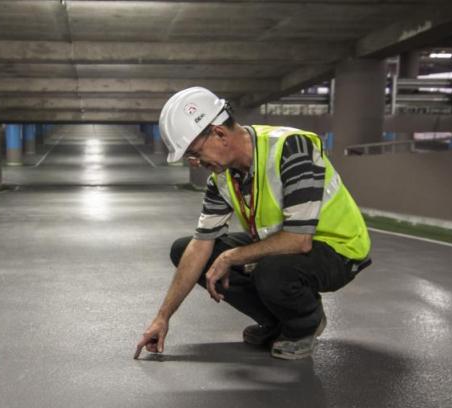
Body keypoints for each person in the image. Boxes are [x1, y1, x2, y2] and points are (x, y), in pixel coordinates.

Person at [135, 86, 371, 360]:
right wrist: (162, 317)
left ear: (219, 134)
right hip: (286, 245)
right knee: (185, 249)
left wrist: (232, 256)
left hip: (337, 248)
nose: (196, 163)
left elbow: (299, 240)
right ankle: (275, 322)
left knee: (270, 270)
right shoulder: (222, 178)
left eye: (195, 153)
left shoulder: (291, 147)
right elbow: (201, 246)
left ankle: (304, 325)